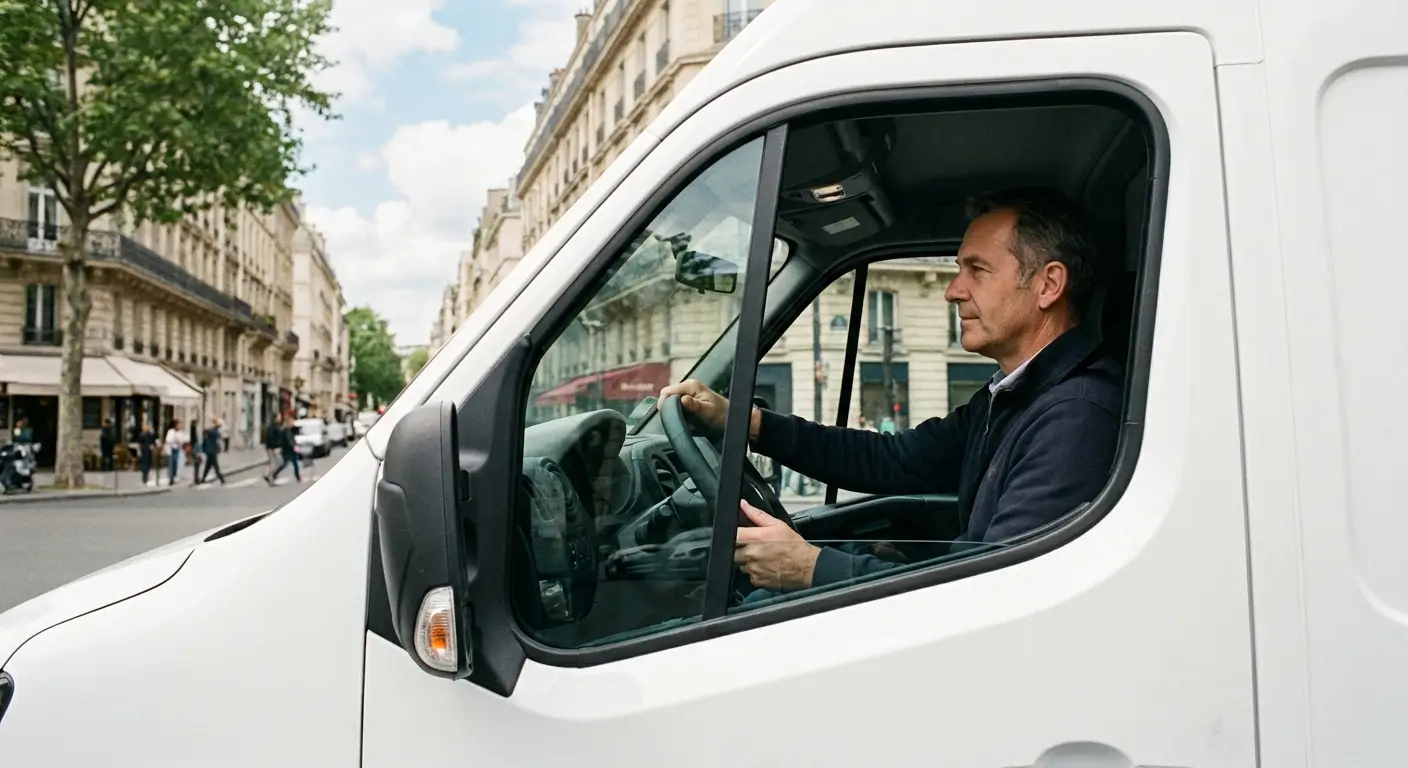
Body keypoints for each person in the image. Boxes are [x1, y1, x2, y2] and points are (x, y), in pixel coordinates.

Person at [659, 187, 1122, 594]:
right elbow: (893, 460)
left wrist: (810, 568)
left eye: (976, 270)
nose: (953, 291)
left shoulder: (1075, 416)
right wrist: (749, 423)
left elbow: (994, 594)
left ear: (1048, 285)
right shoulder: (1016, 396)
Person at [266, 413, 302, 485]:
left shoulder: (287, 429)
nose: (292, 423)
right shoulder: (285, 430)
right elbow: (288, 440)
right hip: (287, 450)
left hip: (287, 449)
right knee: (282, 464)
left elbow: (293, 437)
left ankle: (298, 477)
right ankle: (271, 475)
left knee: (291, 464)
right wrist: (294, 446)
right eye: (291, 422)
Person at [199, 418, 227, 486]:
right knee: (215, 466)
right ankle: (222, 479)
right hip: (212, 451)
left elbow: (206, 434)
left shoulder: (210, 431)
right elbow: (219, 440)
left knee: (208, 466)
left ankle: (203, 479)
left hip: (210, 451)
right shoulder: (214, 432)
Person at [163, 419, 188, 487]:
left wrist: (179, 439)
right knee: (171, 464)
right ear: (175, 425)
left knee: (175, 464)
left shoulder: (180, 432)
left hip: (177, 449)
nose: (180, 426)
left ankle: (173, 477)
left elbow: (183, 440)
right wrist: (176, 439)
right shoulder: (171, 431)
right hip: (171, 449)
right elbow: (168, 440)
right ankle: (170, 479)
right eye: (179, 424)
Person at [136, 420, 156, 486]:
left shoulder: (149, 434)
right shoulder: (142, 434)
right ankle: (144, 477)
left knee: (148, 463)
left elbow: (153, 441)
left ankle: (146, 476)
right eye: (144, 426)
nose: (145, 428)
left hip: (148, 450)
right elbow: (140, 444)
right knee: (144, 464)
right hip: (144, 450)